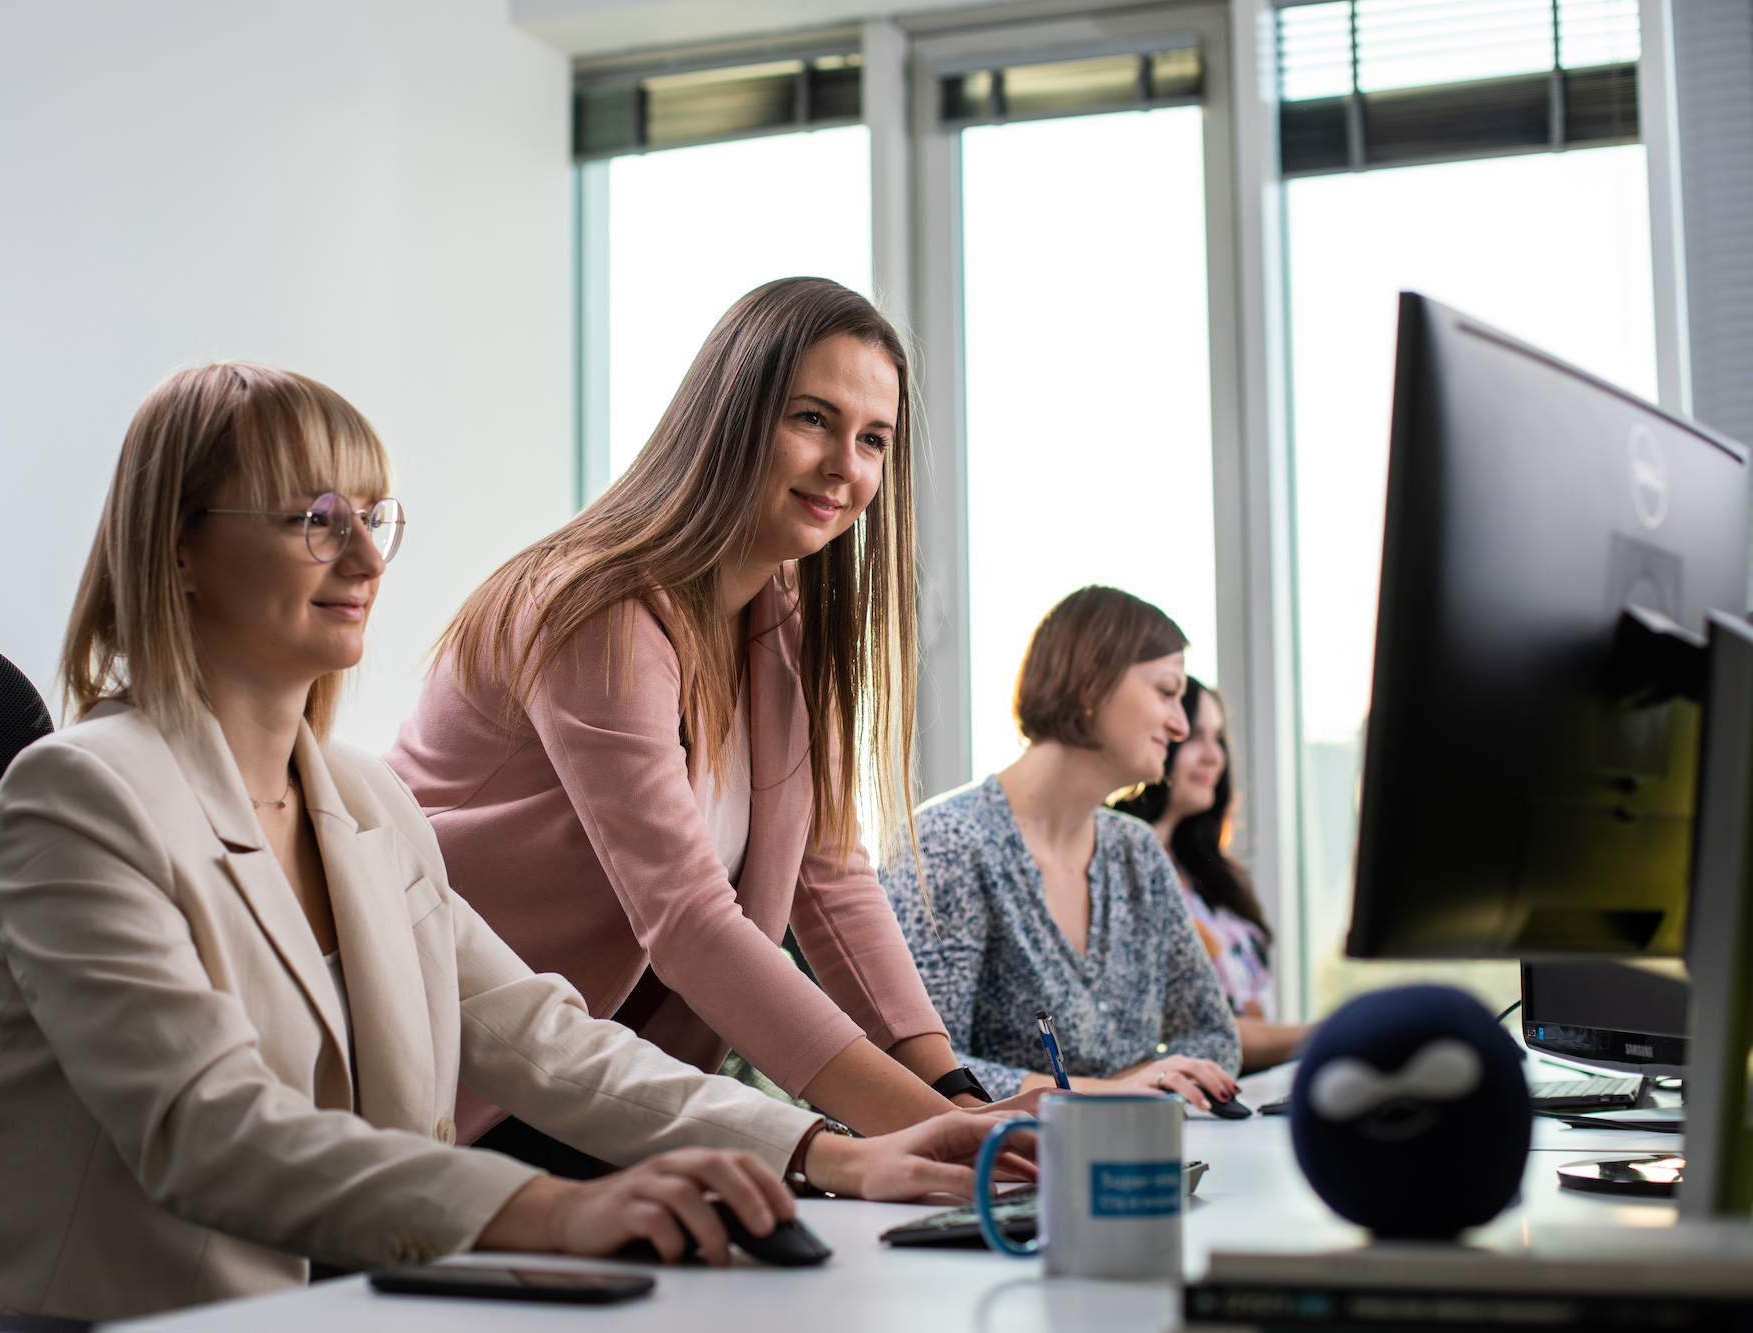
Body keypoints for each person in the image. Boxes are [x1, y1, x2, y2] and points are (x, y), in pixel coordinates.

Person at [0, 363, 1024, 1327]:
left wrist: (833, 1153)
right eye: (313, 518)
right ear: (179, 550)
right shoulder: (81, 798)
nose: (363, 557)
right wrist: (549, 1209)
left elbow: (544, 1040)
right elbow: (208, 1129)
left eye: (374, 517)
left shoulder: (364, 807)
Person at [387, 278, 1015, 1165]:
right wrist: (917, 1129)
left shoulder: (785, 616)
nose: (849, 465)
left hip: (613, 1081)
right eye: (813, 419)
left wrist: (953, 1096)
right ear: (730, 417)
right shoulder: (595, 606)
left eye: (875, 439)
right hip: (465, 1071)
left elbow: (829, 878)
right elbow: (686, 917)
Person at [880, 586, 1242, 1108]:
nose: (1181, 725)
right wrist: (1110, 1092)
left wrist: (1141, 1084)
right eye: (1167, 692)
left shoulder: (1137, 852)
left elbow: (1214, 1036)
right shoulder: (948, 845)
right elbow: (922, 1069)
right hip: (998, 1175)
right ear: (1092, 684)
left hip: (1127, 1155)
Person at [1115, 680, 1312, 1073]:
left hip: (1244, 1085)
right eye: (1194, 737)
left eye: (1218, 737)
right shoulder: (1118, 870)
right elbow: (1184, 1033)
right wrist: (1326, 1033)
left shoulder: (1205, 872)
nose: (1214, 756)